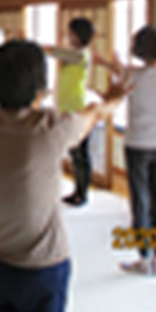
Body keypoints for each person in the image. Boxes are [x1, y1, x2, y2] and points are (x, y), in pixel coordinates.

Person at [0, 41, 128, 312]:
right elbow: (92, 116)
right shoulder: (49, 129)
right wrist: (111, 101)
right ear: (41, 91)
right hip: (38, 267)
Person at [111, 25, 156, 277]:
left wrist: (113, 63)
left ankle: (144, 256)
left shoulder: (132, 75)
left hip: (138, 143)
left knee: (140, 201)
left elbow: (121, 77)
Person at [43, 17, 102, 207]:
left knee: (80, 154)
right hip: (65, 107)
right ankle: (78, 191)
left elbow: (52, 51)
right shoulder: (73, 53)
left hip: (76, 108)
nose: (68, 35)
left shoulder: (80, 55)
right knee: (74, 153)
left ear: (77, 34)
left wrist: (30, 44)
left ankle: (82, 193)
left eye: (70, 32)